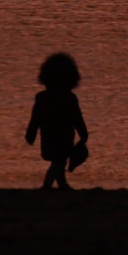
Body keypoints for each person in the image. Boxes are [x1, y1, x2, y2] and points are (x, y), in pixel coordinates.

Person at [25, 52, 89, 190]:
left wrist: (31, 133)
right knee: (59, 160)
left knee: (58, 160)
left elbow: (35, 119)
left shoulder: (43, 98)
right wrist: (83, 133)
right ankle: (48, 185)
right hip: (62, 135)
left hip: (50, 135)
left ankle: (61, 184)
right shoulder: (68, 98)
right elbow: (77, 118)